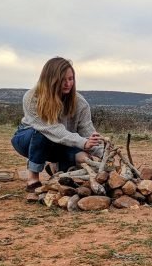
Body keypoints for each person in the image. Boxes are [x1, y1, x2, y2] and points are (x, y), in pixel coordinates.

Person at [11, 57, 103, 194]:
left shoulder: (80, 103)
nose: (68, 83)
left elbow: (87, 131)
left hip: (61, 143)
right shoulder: (32, 97)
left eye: (71, 79)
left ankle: (57, 171)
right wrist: (83, 143)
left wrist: (106, 155)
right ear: (51, 79)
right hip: (28, 139)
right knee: (42, 134)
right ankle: (32, 179)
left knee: (82, 157)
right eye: (62, 80)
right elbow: (52, 130)